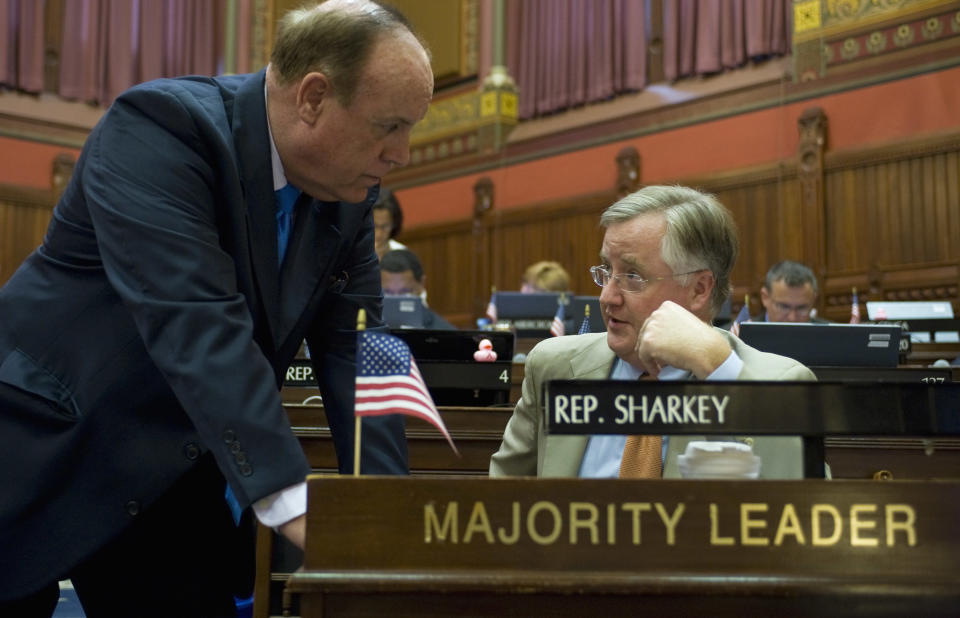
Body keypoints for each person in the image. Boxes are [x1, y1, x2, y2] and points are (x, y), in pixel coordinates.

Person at [0, 1, 433, 615]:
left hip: (171, 474)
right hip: (44, 449)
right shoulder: (162, 128)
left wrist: (386, 512)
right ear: (313, 97)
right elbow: (197, 321)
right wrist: (293, 499)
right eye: (389, 126)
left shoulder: (349, 193)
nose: (403, 153)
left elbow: (359, 347)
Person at [489, 185, 815, 480]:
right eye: (607, 271)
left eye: (633, 276)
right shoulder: (554, 366)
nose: (607, 298)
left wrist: (719, 370)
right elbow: (502, 503)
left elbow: (801, 509)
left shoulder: (784, 384)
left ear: (699, 288)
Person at [380, 249, 456, 330]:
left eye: (405, 292)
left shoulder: (445, 333)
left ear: (422, 284)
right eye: (387, 292)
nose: (396, 301)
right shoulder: (367, 331)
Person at [759, 260, 829, 323]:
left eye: (802, 308)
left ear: (813, 300)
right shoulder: (748, 333)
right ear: (765, 297)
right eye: (783, 307)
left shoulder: (833, 335)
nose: (792, 319)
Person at [373, 187, 407, 259]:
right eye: (374, 225)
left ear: (394, 223)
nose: (379, 233)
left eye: (385, 226)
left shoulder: (402, 254)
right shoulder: (351, 252)